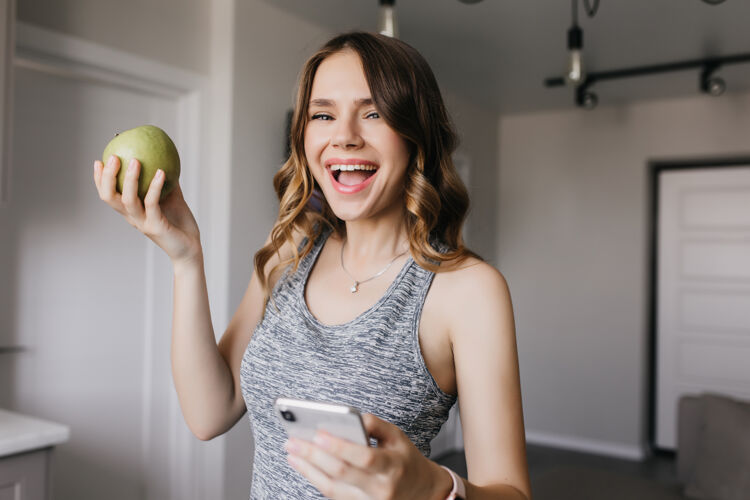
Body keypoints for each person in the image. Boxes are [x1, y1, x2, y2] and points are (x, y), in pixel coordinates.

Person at [93, 31, 531, 500]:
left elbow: (511, 493)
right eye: (323, 114)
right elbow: (209, 413)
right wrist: (185, 258)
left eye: (374, 113)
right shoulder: (291, 249)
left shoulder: (467, 291)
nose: (344, 136)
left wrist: (433, 487)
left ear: (415, 135)